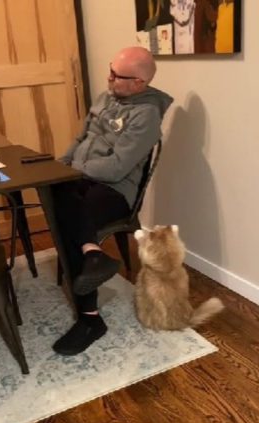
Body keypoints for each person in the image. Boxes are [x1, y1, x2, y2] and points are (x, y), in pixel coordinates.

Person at [52, 46, 173, 356]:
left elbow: (118, 167)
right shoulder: (106, 98)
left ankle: (90, 320)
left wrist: (73, 169)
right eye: (111, 70)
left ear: (139, 83)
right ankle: (93, 253)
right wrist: (58, 167)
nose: (109, 79)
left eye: (117, 76)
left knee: (70, 216)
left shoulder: (146, 116)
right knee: (56, 196)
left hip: (115, 192)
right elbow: (81, 139)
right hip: (82, 179)